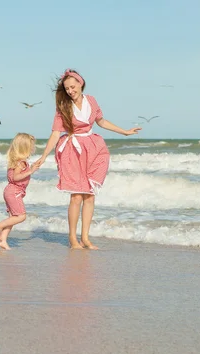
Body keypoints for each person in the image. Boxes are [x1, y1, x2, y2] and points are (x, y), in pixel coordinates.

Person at [35, 69, 141, 250]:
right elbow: (55, 133)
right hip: (73, 150)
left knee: (90, 196)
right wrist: (44, 156)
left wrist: (124, 131)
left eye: (73, 86)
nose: (70, 91)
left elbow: (101, 121)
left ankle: (85, 238)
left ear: (81, 83)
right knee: (76, 196)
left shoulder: (91, 100)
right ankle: (72, 238)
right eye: (67, 88)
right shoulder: (63, 106)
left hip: (93, 147)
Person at [0, 133, 39, 250]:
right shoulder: (22, 163)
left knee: (12, 218)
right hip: (14, 191)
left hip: (9, 190)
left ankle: (2, 240)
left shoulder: (14, 161)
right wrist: (30, 171)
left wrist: (32, 167)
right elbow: (16, 177)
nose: (33, 148)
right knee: (21, 216)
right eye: (32, 146)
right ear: (25, 148)